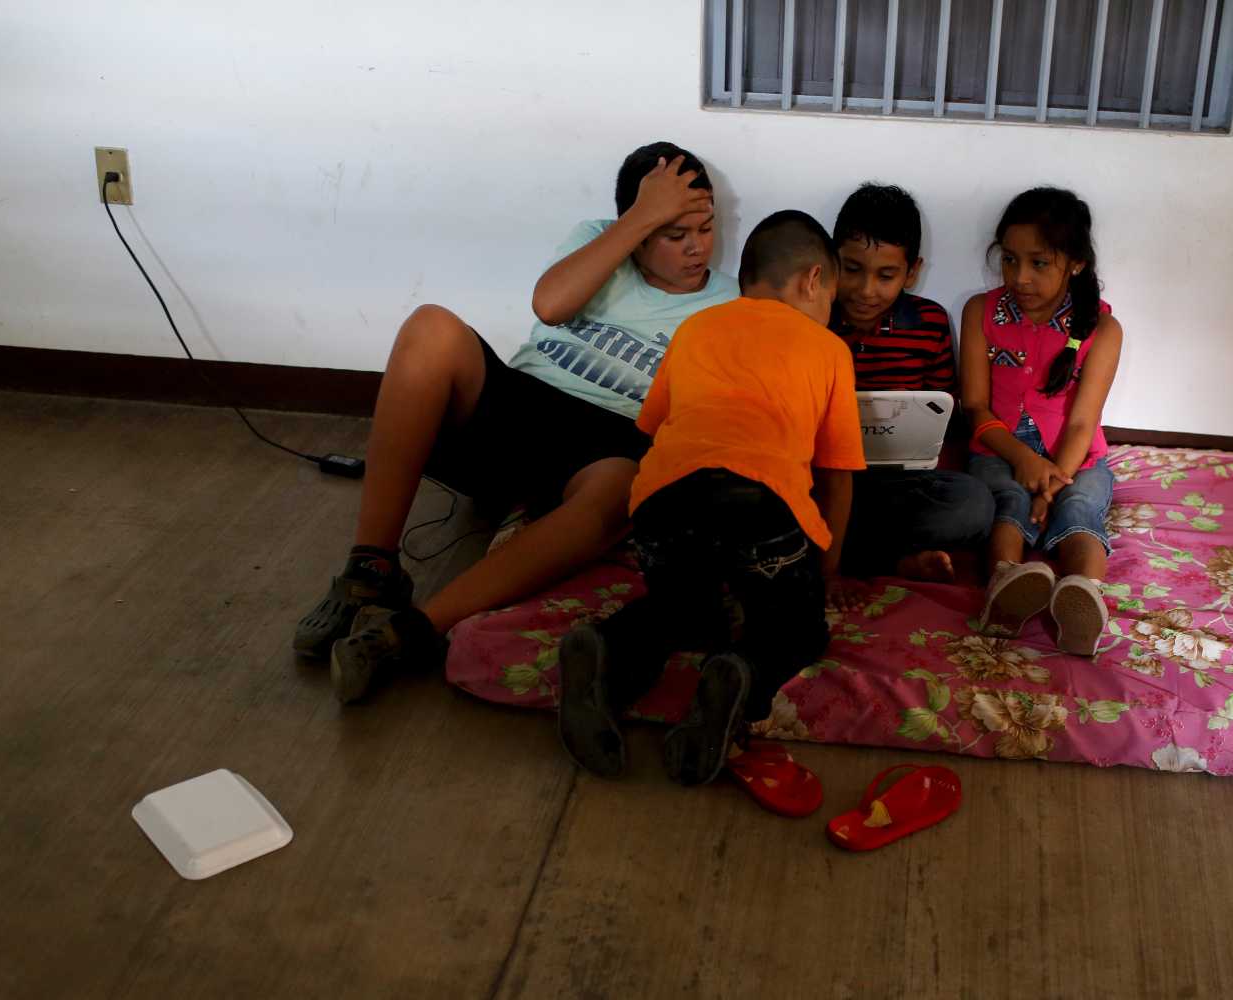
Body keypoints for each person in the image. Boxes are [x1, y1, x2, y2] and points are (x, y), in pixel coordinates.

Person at [292, 142, 738, 704]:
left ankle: (415, 628)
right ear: (635, 225)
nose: (697, 248)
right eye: (675, 235)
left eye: (706, 228)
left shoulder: (729, 304)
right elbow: (550, 305)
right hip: (524, 405)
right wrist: (641, 218)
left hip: (610, 440)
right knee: (431, 327)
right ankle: (372, 565)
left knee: (626, 488)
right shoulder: (597, 240)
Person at [554, 210, 864, 786]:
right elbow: (837, 475)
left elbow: (651, 430)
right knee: (796, 628)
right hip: (759, 502)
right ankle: (741, 672)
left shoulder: (696, 328)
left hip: (662, 502)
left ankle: (605, 647)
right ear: (813, 280)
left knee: (683, 613)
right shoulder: (827, 349)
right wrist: (829, 567)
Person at [960, 187, 1123, 656]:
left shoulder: (1103, 329)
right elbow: (975, 407)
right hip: (999, 448)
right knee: (1007, 499)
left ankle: (1083, 597)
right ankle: (1007, 588)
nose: (1020, 277)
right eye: (1009, 260)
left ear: (1075, 263)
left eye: (1038, 263)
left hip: (1077, 457)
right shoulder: (981, 312)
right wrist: (1024, 461)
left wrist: (1053, 485)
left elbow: (1082, 424)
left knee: (1079, 509)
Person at [829, 183, 994, 582]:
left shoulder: (929, 323)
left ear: (912, 271)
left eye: (886, 275)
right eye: (852, 269)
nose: (867, 290)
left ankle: (850, 552)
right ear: (831, 260)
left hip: (896, 482)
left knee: (975, 504)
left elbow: (945, 410)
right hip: (825, 475)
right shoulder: (814, 317)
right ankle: (889, 560)